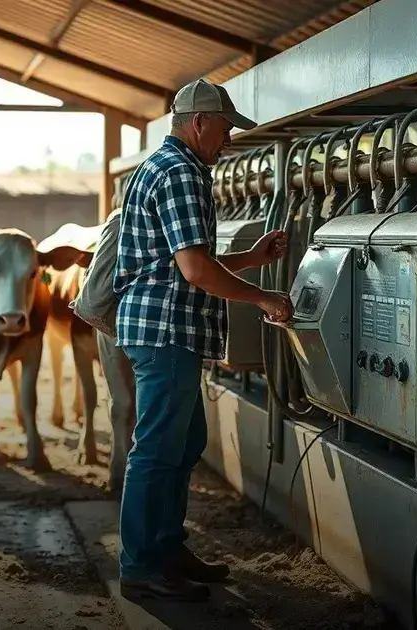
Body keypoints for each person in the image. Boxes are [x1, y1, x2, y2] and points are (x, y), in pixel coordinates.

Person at [112, 78, 294, 602]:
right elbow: (194, 270)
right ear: (199, 122)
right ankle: (141, 565)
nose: (228, 140)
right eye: (225, 128)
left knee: (183, 443)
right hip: (166, 331)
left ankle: (167, 549)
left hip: (164, 330)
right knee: (156, 450)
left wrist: (251, 259)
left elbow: (183, 260)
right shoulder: (182, 173)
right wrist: (262, 297)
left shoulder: (164, 167)